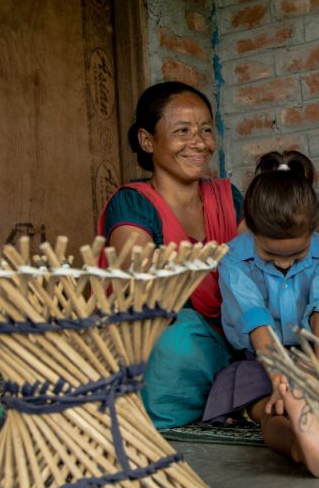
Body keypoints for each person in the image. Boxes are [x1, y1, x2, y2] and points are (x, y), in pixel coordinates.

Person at [207, 150, 319, 477]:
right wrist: (280, 378)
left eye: (297, 253)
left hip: (318, 351)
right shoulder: (233, 257)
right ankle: (302, 444)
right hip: (261, 358)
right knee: (270, 411)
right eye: (271, 254)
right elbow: (255, 320)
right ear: (249, 228)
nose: (283, 263)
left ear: (313, 231)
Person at [97, 81, 246, 428]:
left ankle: (237, 390)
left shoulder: (228, 196)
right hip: (176, 345)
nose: (199, 142)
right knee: (176, 341)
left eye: (206, 130)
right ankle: (245, 391)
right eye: (183, 131)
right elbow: (146, 290)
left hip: (238, 338)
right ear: (147, 141)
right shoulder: (133, 202)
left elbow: (256, 272)